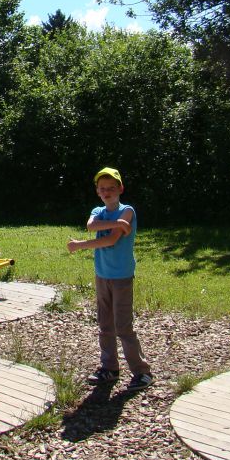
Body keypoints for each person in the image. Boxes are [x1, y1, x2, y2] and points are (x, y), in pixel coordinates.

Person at [67, 167, 154, 391]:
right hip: (102, 275)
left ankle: (142, 372)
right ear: (97, 191)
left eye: (111, 188)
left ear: (120, 189)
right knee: (105, 325)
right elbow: (90, 225)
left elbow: (111, 241)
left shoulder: (128, 211)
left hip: (121, 276)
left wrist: (79, 246)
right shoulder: (99, 211)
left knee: (123, 326)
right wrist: (116, 224)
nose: (107, 192)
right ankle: (110, 368)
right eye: (102, 188)